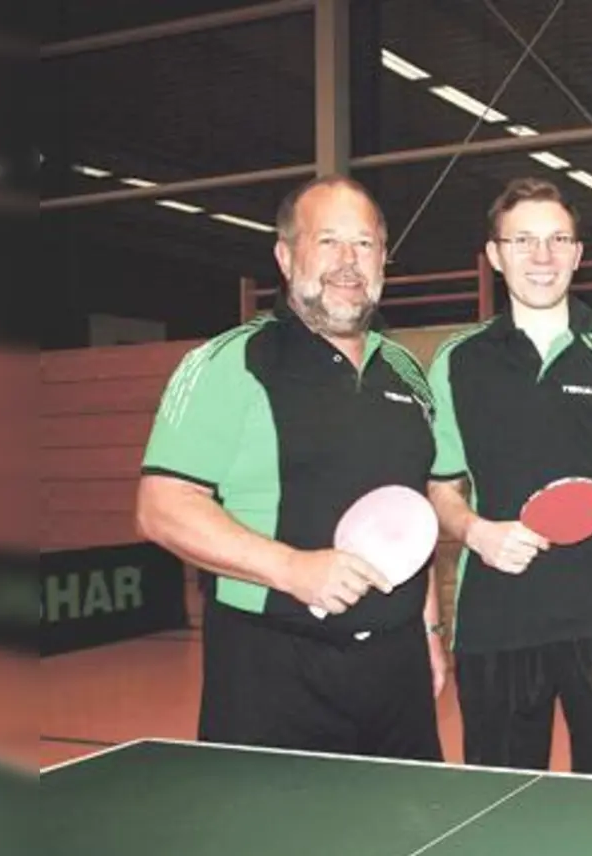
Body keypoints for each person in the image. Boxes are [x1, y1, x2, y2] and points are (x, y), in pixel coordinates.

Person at [136, 174, 447, 761]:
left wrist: (429, 631)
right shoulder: (228, 363)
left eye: (365, 244)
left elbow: (409, 514)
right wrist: (291, 568)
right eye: (327, 241)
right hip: (272, 670)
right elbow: (161, 507)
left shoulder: (407, 370)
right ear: (285, 256)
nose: (348, 262)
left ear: (384, 260)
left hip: (397, 669)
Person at [426, 177, 592, 778]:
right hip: (496, 625)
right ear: (495, 255)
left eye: (558, 239)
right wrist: (475, 531)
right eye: (523, 240)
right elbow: (441, 485)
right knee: (499, 813)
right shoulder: (458, 360)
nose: (543, 255)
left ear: (578, 254)